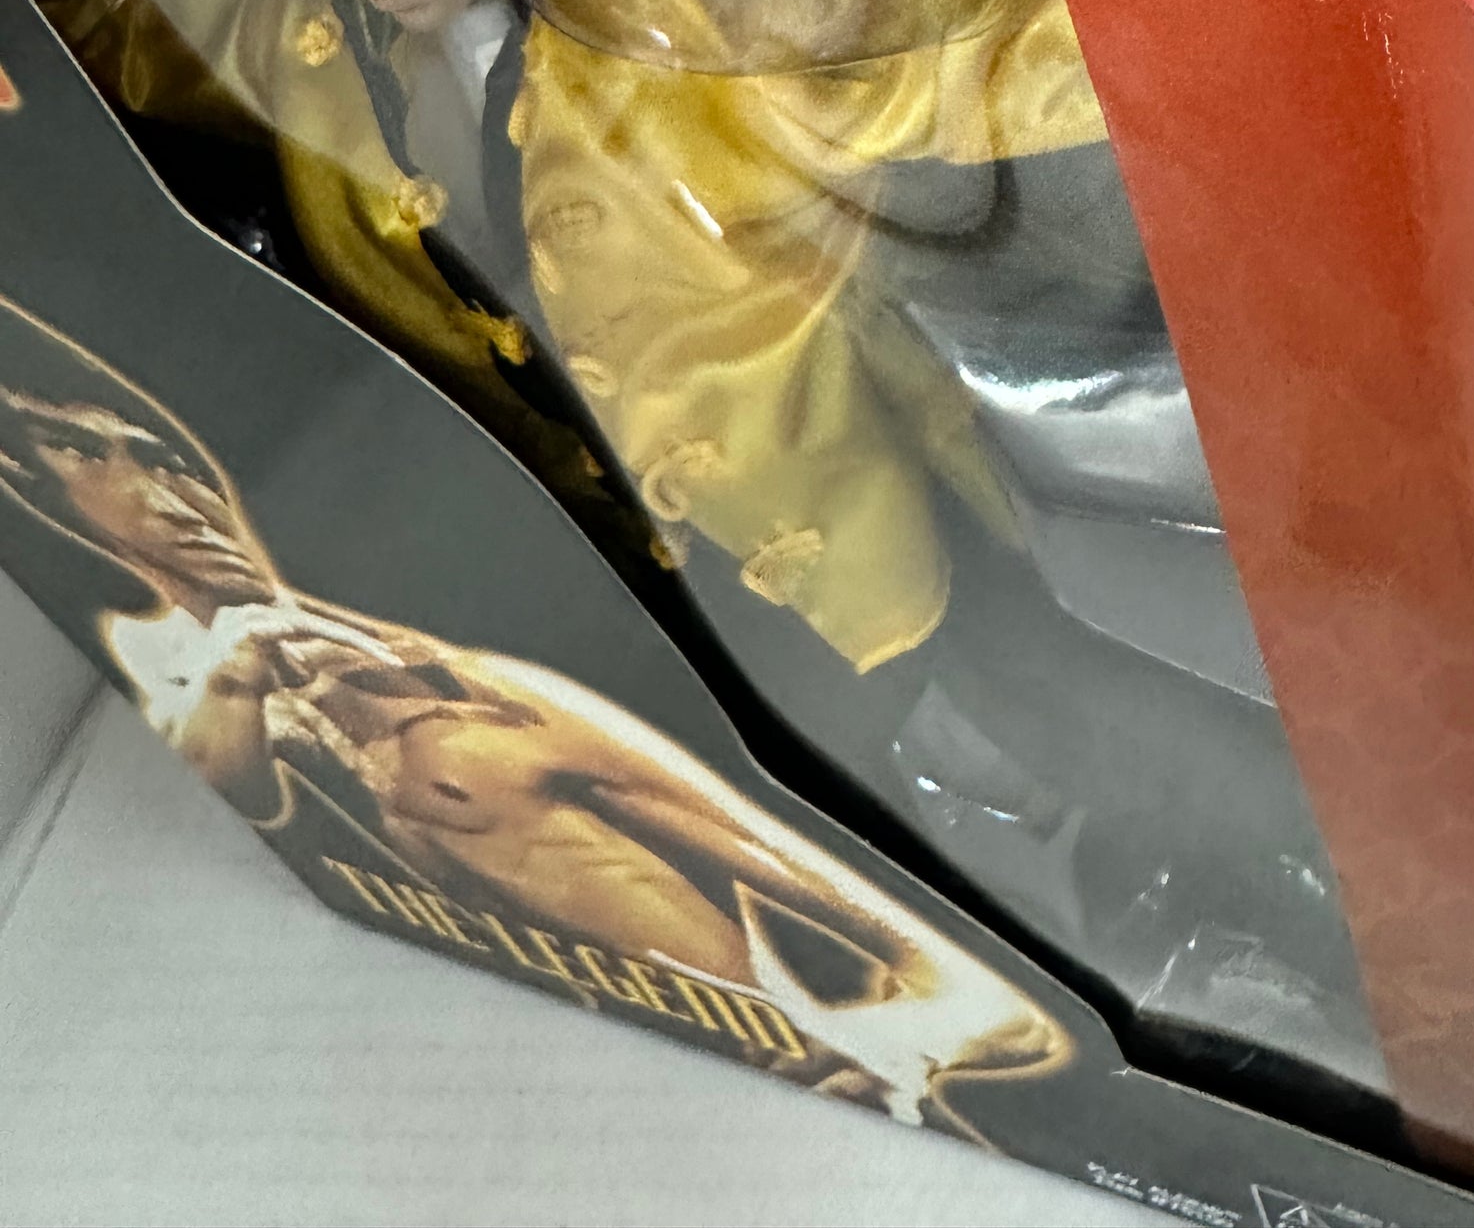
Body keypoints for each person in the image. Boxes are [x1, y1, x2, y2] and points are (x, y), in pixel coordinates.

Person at [1, 0, 1389, 1100]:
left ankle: (1330, 950)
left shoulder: (688, 12)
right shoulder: (313, 25)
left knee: (1070, 724)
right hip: (600, 586)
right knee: (817, 836)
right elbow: (109, 7)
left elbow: (977, 55)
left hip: (834, 540)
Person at [0, 295, 1066, 1128]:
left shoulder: (490, 706)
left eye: (163, 455)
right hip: (535, 1083)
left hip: (792, 1096)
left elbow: (974, 991)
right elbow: (232, 764)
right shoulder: (207, 696)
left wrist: (899, 1043)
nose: (170, 496)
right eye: (88, 454)